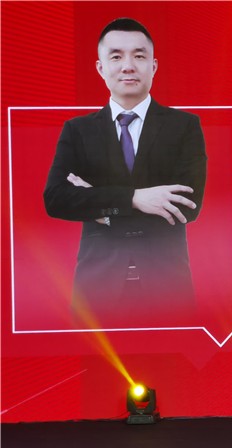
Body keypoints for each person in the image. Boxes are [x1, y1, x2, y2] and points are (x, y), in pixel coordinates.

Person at [43, 17, 207, 326]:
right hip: (96, 290)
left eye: (139, 56)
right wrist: (134, 198)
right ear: (100, 67)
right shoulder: (78, 130)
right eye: (116, 56)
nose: (128, 66)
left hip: (168, 289)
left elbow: (188, 205)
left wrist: (98, 206)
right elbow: (56, 199)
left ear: (153, 66)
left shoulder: (184, 126)